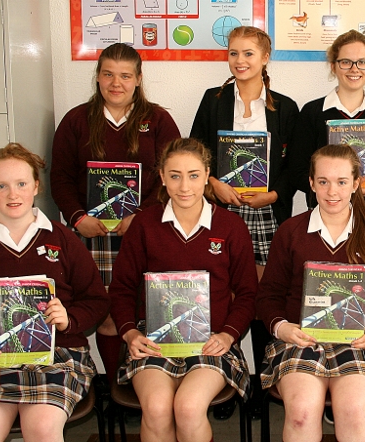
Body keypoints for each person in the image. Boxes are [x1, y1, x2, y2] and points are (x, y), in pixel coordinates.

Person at [0, 143, 109, 441]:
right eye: (1, 185)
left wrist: (69, 318)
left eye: (21, 184)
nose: (12, 194)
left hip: (57, 356)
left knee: (41, 428)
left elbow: (96, 300)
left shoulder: (63, 239)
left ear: (36, 186)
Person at [107, 138, 257, 442]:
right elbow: (122, 287)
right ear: (162, 177)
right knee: (157, 407)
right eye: (174, 175)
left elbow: (247, 294)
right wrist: (130, 334)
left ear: (206, 175)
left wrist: (228, 334)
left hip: (212, 341)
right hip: (153, 339)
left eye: (193, 175)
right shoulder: (145, 225)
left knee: (188, 408)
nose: (184, 186)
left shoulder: (230, 227)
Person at [257, 144, 365, 442]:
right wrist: (282, 327)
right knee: (300, 411)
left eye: (341, 182)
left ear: (356, 184)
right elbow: (268, 295)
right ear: (311, 183)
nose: (331, 191)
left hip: (358, 342)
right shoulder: (290, 231)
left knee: (351, 410)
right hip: (300, 341)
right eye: (323, 181)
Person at [51, 42, 181, 384]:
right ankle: (115, 385)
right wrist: (78, 217)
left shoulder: (158, 120)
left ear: (138, 79)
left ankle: (148, 379)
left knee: (148, 309)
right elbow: (61, 177)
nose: (116, 83)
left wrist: (142, 215)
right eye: (108, 74)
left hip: (145, 229)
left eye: (125, 75)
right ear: (97, 77)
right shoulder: (76, 120)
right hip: (93, 234)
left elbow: (174, 175)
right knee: (107, 314)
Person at [188, 25, 298, 419]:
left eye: (249, 53)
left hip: (266, 212)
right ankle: (229, 376)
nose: (240, 61)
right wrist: (213, 183)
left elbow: (294, 165)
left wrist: (275, 194)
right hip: (223, 210)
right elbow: (196, 149)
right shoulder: (212, 100)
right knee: (227, 292)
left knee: (262, 296)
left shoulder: (285, 107)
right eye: (234, 53)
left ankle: (262, 381)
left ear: (265, 58)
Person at [290, 29, 365, 226]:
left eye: (362, 62)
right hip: (324, 210)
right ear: (333, 67)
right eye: (345, 62)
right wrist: (340, 188)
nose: (354, 69)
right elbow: (298, 172)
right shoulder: (313, 112)